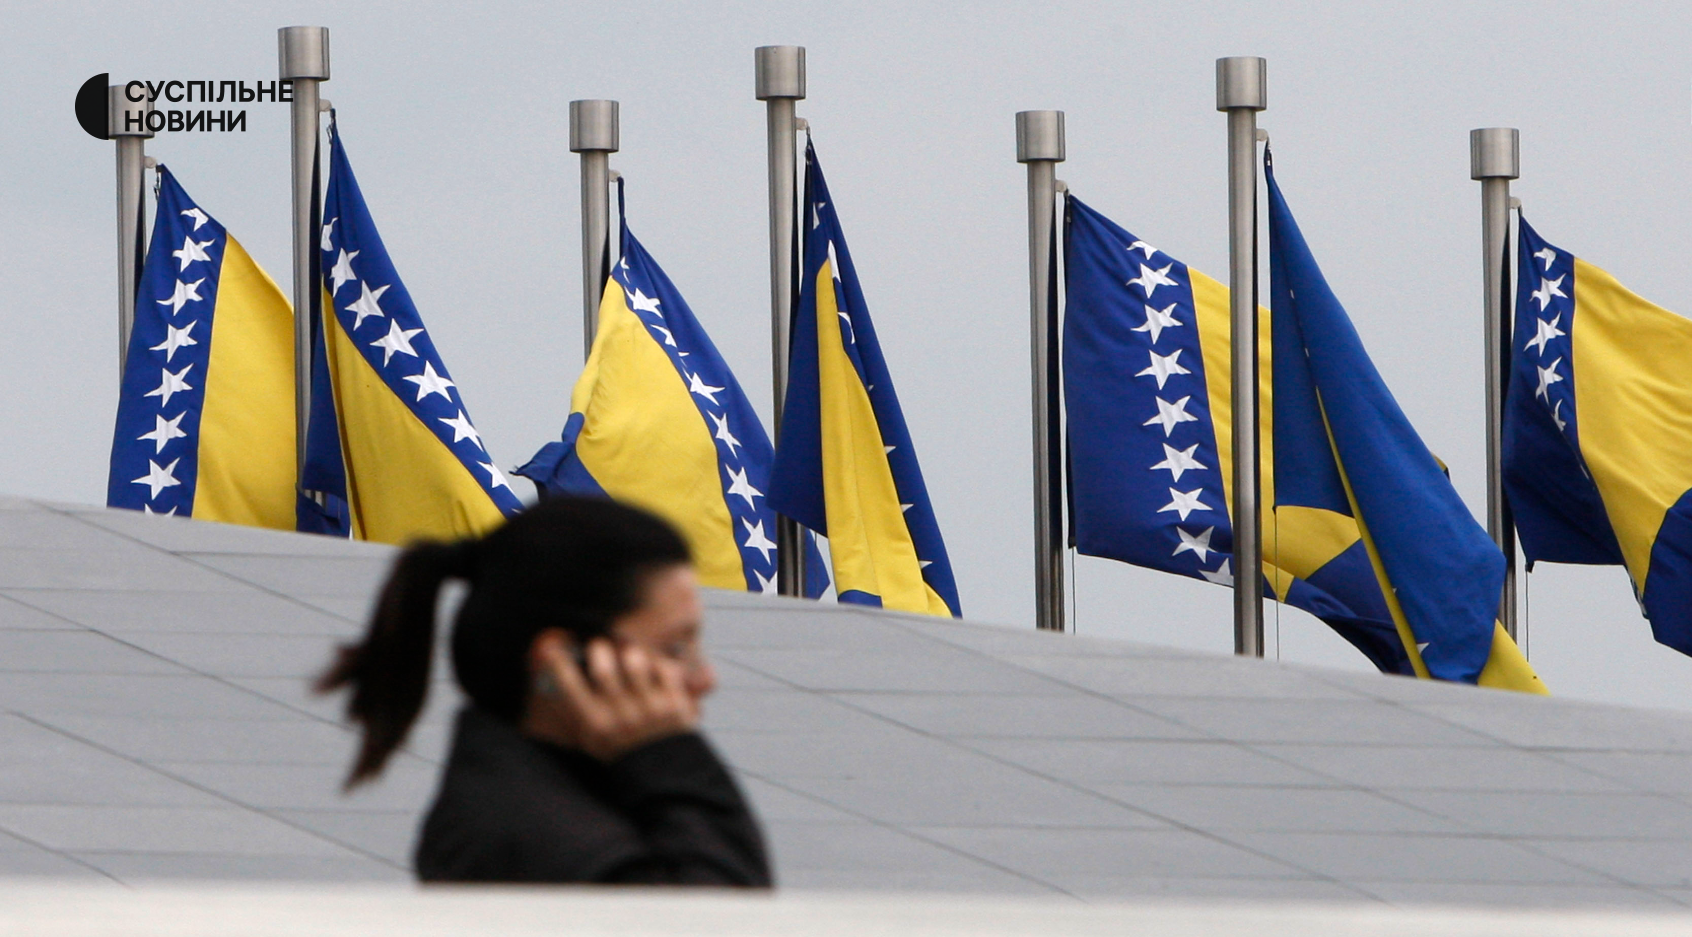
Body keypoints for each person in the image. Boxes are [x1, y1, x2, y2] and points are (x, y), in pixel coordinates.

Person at [316, 496, 771, 886]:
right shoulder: (534, 838)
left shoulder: (564, 793)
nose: (704, 678)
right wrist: (671, 756)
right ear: (559, 660)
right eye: (674, 648)